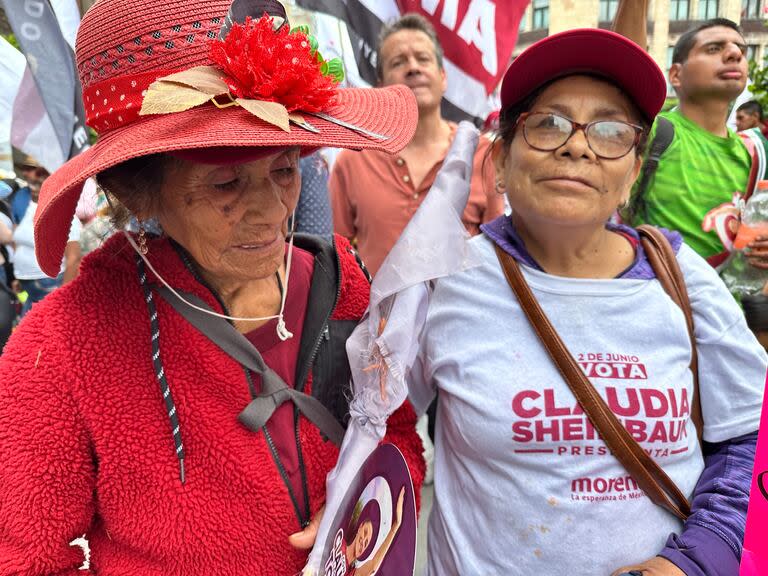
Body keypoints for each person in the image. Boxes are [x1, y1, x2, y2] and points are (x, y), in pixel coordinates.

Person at [0, 0, 424, 574]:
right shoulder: (62, 349)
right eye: (226, 182)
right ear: (139, 191)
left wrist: (363, 503)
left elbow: (394, 431)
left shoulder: (343, 281)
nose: (273, 211)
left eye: (284, 168)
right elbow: (25, 556)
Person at [407, 28, 766, 575]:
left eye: (610, 130)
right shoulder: (444, 279)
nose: (577, 145)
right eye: (548, 123)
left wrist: (692, 561)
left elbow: (749, 440)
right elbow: (374, 427)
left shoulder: (679, 277)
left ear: (631, 176)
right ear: (501, 161)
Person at [329, 13, 505, 278]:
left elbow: (499, 257)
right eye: (398, 62)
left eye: (423, 59)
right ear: (381, 85)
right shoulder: (353, 160)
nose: (413, 68)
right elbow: (337, 258)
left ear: (443, 76)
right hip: (377, 320)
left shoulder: (480, 154)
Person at [614, 9, 768, 271]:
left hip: (725, 308)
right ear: (676, 75)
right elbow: (625, 68)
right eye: (713, 49)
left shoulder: (754, 153)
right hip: (656, 301)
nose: (734, 54)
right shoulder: (655, 133)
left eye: (740, 50)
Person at [11, 155, 82, 317]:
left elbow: (73, 258)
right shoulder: (28, 206)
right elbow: (21, 243)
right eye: (25, 169)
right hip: (31, 288)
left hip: (49, 285)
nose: (27, 174)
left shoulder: (62, 213)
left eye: (34, 170)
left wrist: (64, 298)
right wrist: (20, 278)